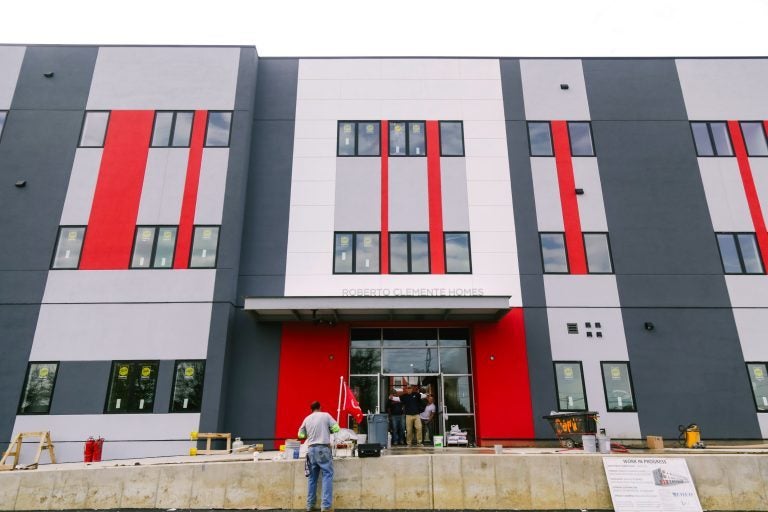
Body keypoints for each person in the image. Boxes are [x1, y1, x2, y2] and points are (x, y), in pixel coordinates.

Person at [298, 401, 340, 512]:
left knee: (312, 478)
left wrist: (308, 434)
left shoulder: (307, 419)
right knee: (327, 475)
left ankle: (310, 505)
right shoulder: (325, 415)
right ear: (320, 407)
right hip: (323, 449)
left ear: (311, 409)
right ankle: (325, 506)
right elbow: (336, 428)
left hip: (311, 450)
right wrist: (328, 430)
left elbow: (300, 435)